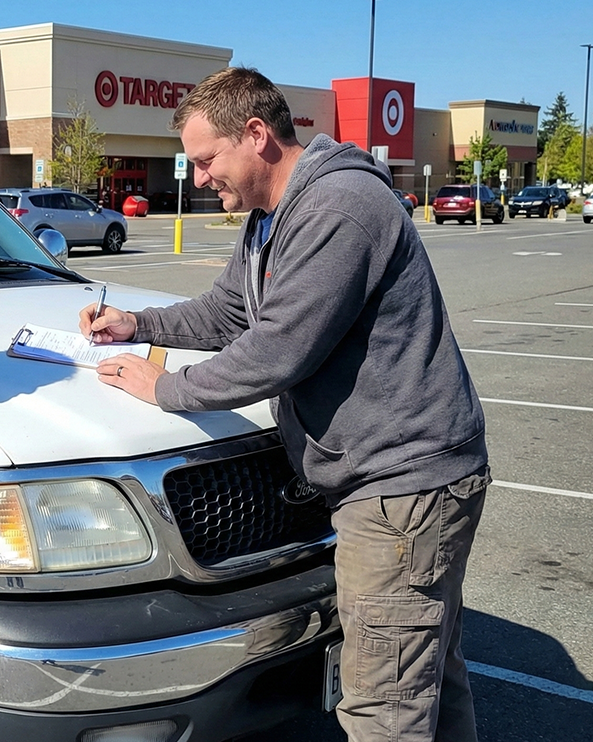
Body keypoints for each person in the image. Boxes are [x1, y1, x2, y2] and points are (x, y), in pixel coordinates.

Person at [79, 67, 489, 742]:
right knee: (428, 683)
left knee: (385, 708)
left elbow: (278, 349)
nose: (200, 178)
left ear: (256, 135)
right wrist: (139, 323)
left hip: (401, 491)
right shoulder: (272, 219)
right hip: (396, 482)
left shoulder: (338, 208)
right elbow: (229, 312)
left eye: (207, 160)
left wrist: (165, 387)